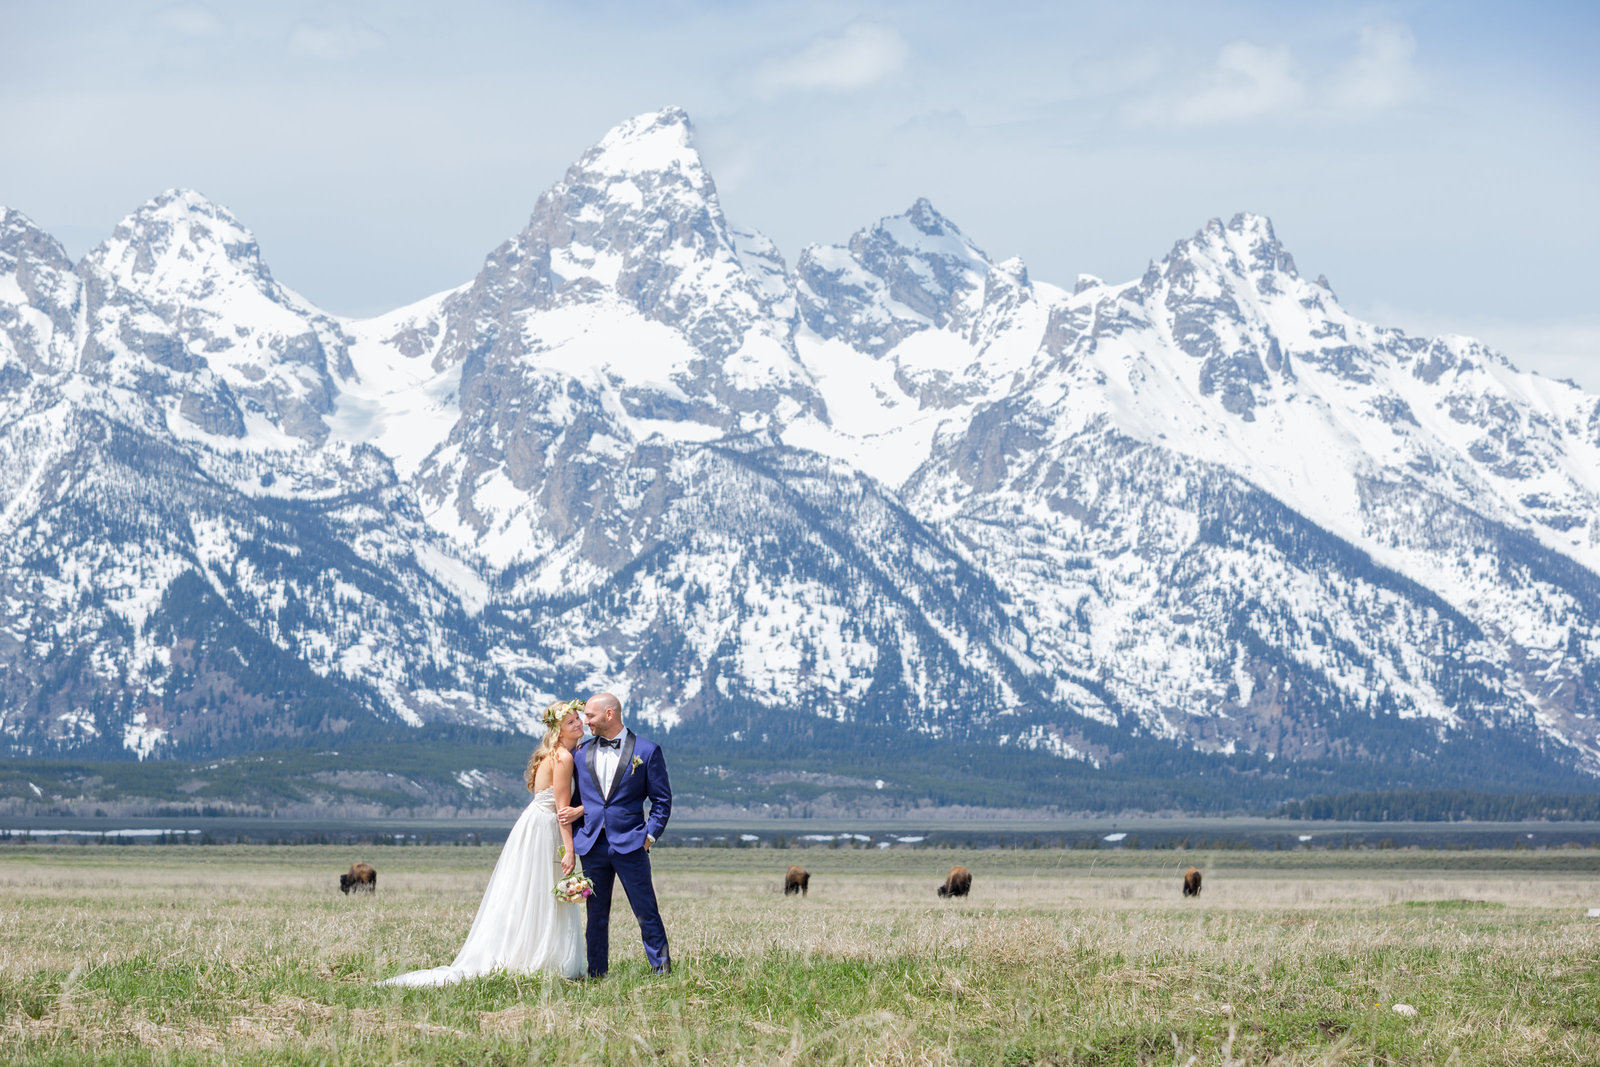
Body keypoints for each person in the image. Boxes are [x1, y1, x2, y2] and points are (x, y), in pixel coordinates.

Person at [380, 700, 587, 985]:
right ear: (558, 730)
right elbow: (564, 812)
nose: (579, 724)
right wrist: (570, 851)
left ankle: (535, 951)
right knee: (544, 891)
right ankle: (538, 956)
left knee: (530, 892)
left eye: (578, 718)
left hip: (532, 824)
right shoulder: (563, 758)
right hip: (546, 827)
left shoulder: (552, 754)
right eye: (571, 722)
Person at [559, 691, 672, 976]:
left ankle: (661, 971)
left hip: (632, 844)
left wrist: (650, 836)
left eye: (591, 716)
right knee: (596, 916)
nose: (586, 722)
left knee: (646, 911)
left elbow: (662, 800)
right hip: (593, 845)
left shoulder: (647, 751)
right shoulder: (581, 752)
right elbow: (577, 799)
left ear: (610, 714)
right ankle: (596, 974)